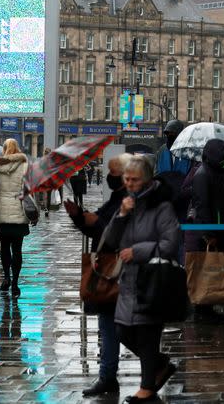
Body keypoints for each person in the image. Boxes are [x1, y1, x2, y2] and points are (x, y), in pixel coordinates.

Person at [100, 156, 180, 403]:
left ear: (146, 180)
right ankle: (159, 365)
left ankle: (147, 391)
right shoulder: (127, 204)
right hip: (128, 281)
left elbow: (170, 244)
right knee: (123, 330)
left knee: (147, 333)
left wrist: (138, 251)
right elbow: (108, 242)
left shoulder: (162, 206)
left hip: (152, 280)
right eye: (127, 179)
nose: (130, 184)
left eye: (134, 180)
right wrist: (121, 215)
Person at [66, 153, 132, 397]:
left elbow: (117, 232)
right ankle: (107, 377)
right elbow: (98, 228)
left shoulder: (129, 199)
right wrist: (79, 215)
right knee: (110, 325)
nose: (109, 178)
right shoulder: (117, 198)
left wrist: (96, 222)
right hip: (110, 270)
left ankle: (149, 368)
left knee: (122, 327)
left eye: (114, 174)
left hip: (120, 270)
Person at [189, 139, 224, 321]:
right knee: (207, 269)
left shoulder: (214, 172)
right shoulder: (203, 175)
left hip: (218, 229)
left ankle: (209, 307)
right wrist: (209, 234)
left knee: (213, 268)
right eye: (222, 155)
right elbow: (202, 206)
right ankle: (203, 310)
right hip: (209, 233)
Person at [0, 139, 32, 298]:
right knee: (17, 249)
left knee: (4, 247)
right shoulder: (25, 166)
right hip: (19, 212)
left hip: (1, 212)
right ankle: (15, 283)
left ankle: (6, 277)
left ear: (4, 150)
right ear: (17, 149)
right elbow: (29, 190)